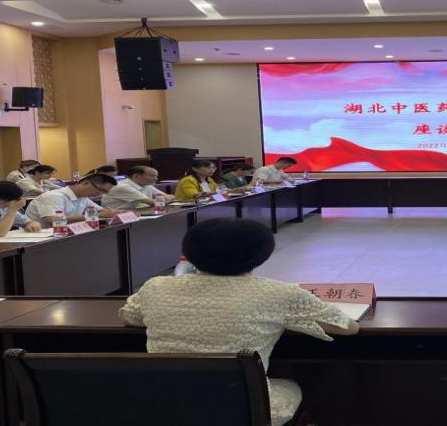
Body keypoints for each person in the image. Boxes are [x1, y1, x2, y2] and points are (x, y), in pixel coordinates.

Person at [119, 219, 358, 426]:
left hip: (163, 402)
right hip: (243, 406)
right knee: (295, 384)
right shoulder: (280, 293)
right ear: (262, 255)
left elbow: (130, 316)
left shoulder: (156, 287)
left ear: (189, 252)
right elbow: (347, 327)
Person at [24, 173, 121, 227]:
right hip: (39, 240)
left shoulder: (83, 197)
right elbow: (54, 220)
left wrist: (116, 213)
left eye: (105, 192)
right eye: (100, 189)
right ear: (86, 183)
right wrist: (95, 216)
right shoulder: (54, 196)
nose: (100, 194)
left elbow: (103, 212)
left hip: (62, 236)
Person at [102, 166, 174, 210]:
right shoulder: (123, 187)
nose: (156, 179)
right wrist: (161, 199)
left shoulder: (146, 185)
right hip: (118, 219)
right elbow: (154, 203)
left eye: (156, 176)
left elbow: (172, 197)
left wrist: (163, 198)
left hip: (137, 213)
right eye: (152, 176)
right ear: (136, 176)